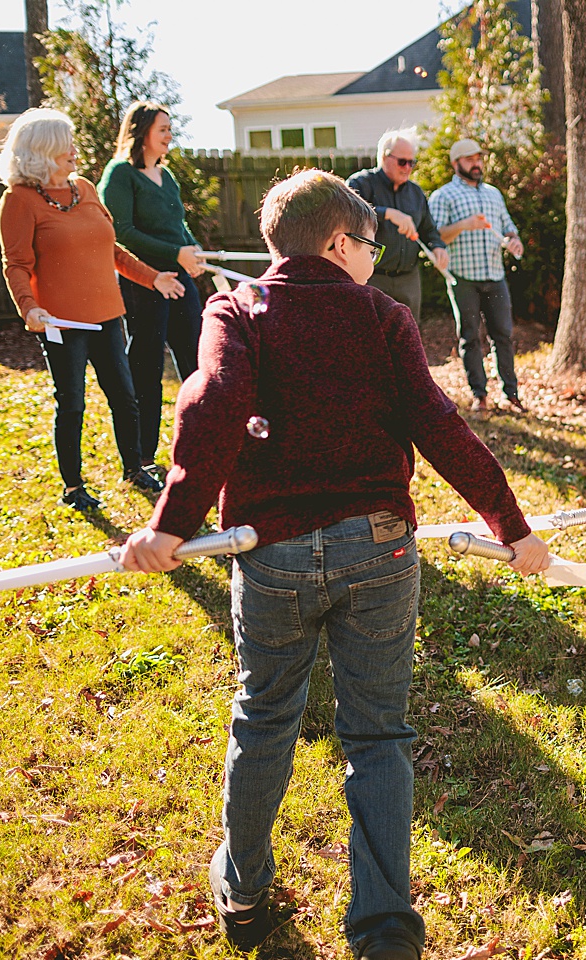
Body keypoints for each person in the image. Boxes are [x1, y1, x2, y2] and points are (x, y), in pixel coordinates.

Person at [119, 171, 550, 958]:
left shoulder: (237, 308)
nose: (372, 262)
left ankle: (244, 892)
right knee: (377, 736)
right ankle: (384, 928)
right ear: (341, 242)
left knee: (265, 715)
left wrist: (172, 524)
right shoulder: (382, 316)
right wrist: (512, 526)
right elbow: (438, 422)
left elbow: (210, 401)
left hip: (273, 552)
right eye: (369, 247)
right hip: (380, 547)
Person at [0, 108, 180, 512]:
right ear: (42, 152)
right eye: (67, 146)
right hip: (61, 321)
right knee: (73, 402)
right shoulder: (18, 201)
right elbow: (17, 265)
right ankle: (73, 487)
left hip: (108, 314)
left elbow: (112, 250)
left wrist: (154, 278)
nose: (75, 152)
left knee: (125, 396)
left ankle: (134, 469)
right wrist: (30, 309)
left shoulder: (84, 188)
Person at [98, 101, 207, 476]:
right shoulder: (120, 175)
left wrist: (193, 251)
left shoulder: (167, 176)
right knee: (146, 365)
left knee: (195, 360)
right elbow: (121, 233)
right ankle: (143, 455)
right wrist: (176, 253)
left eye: (169, 128)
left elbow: (177, 226)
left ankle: (200, 443)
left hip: (179, 279)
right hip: (143, 281)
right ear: (141, 132)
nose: (169, 135)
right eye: (162, 129)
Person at [428, 138, 525, 413]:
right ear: (456, 163)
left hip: (495, 275)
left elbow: (508, 226)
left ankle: (511, 394)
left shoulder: (494, 194)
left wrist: (513, 240)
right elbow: (436, 236)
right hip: (463, 278)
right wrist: (464, 225)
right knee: (469, 337)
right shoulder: (443, 196)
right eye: (470, 159)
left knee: (503, 335)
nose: (477, 164)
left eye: (479, 158)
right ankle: (479, 395)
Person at [347, 128, 449, 321]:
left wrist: (438, 247)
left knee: (409, 338)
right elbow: (347, 218)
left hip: (408, 280)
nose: (408, 167)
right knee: (371, 337)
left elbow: (429, 229)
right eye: (402, 162)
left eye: (412, 162)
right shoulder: (360, 183)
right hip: (372, 278)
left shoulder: (416, 193)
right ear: (385, 158)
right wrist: (387, 213)